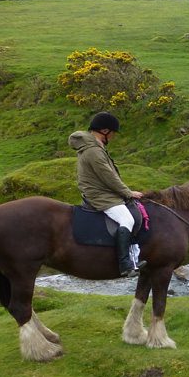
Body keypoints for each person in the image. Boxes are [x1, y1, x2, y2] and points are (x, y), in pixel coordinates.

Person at [69, 112, 145, 277]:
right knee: (127, 219)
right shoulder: (93, 151)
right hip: (100, 195)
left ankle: (134, 257)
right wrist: (128, 192)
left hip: (102, 192)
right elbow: (108, 177)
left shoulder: (93, 148)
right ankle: (125, 264)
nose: (114, 137)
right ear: (104, 131)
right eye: (113, 133)